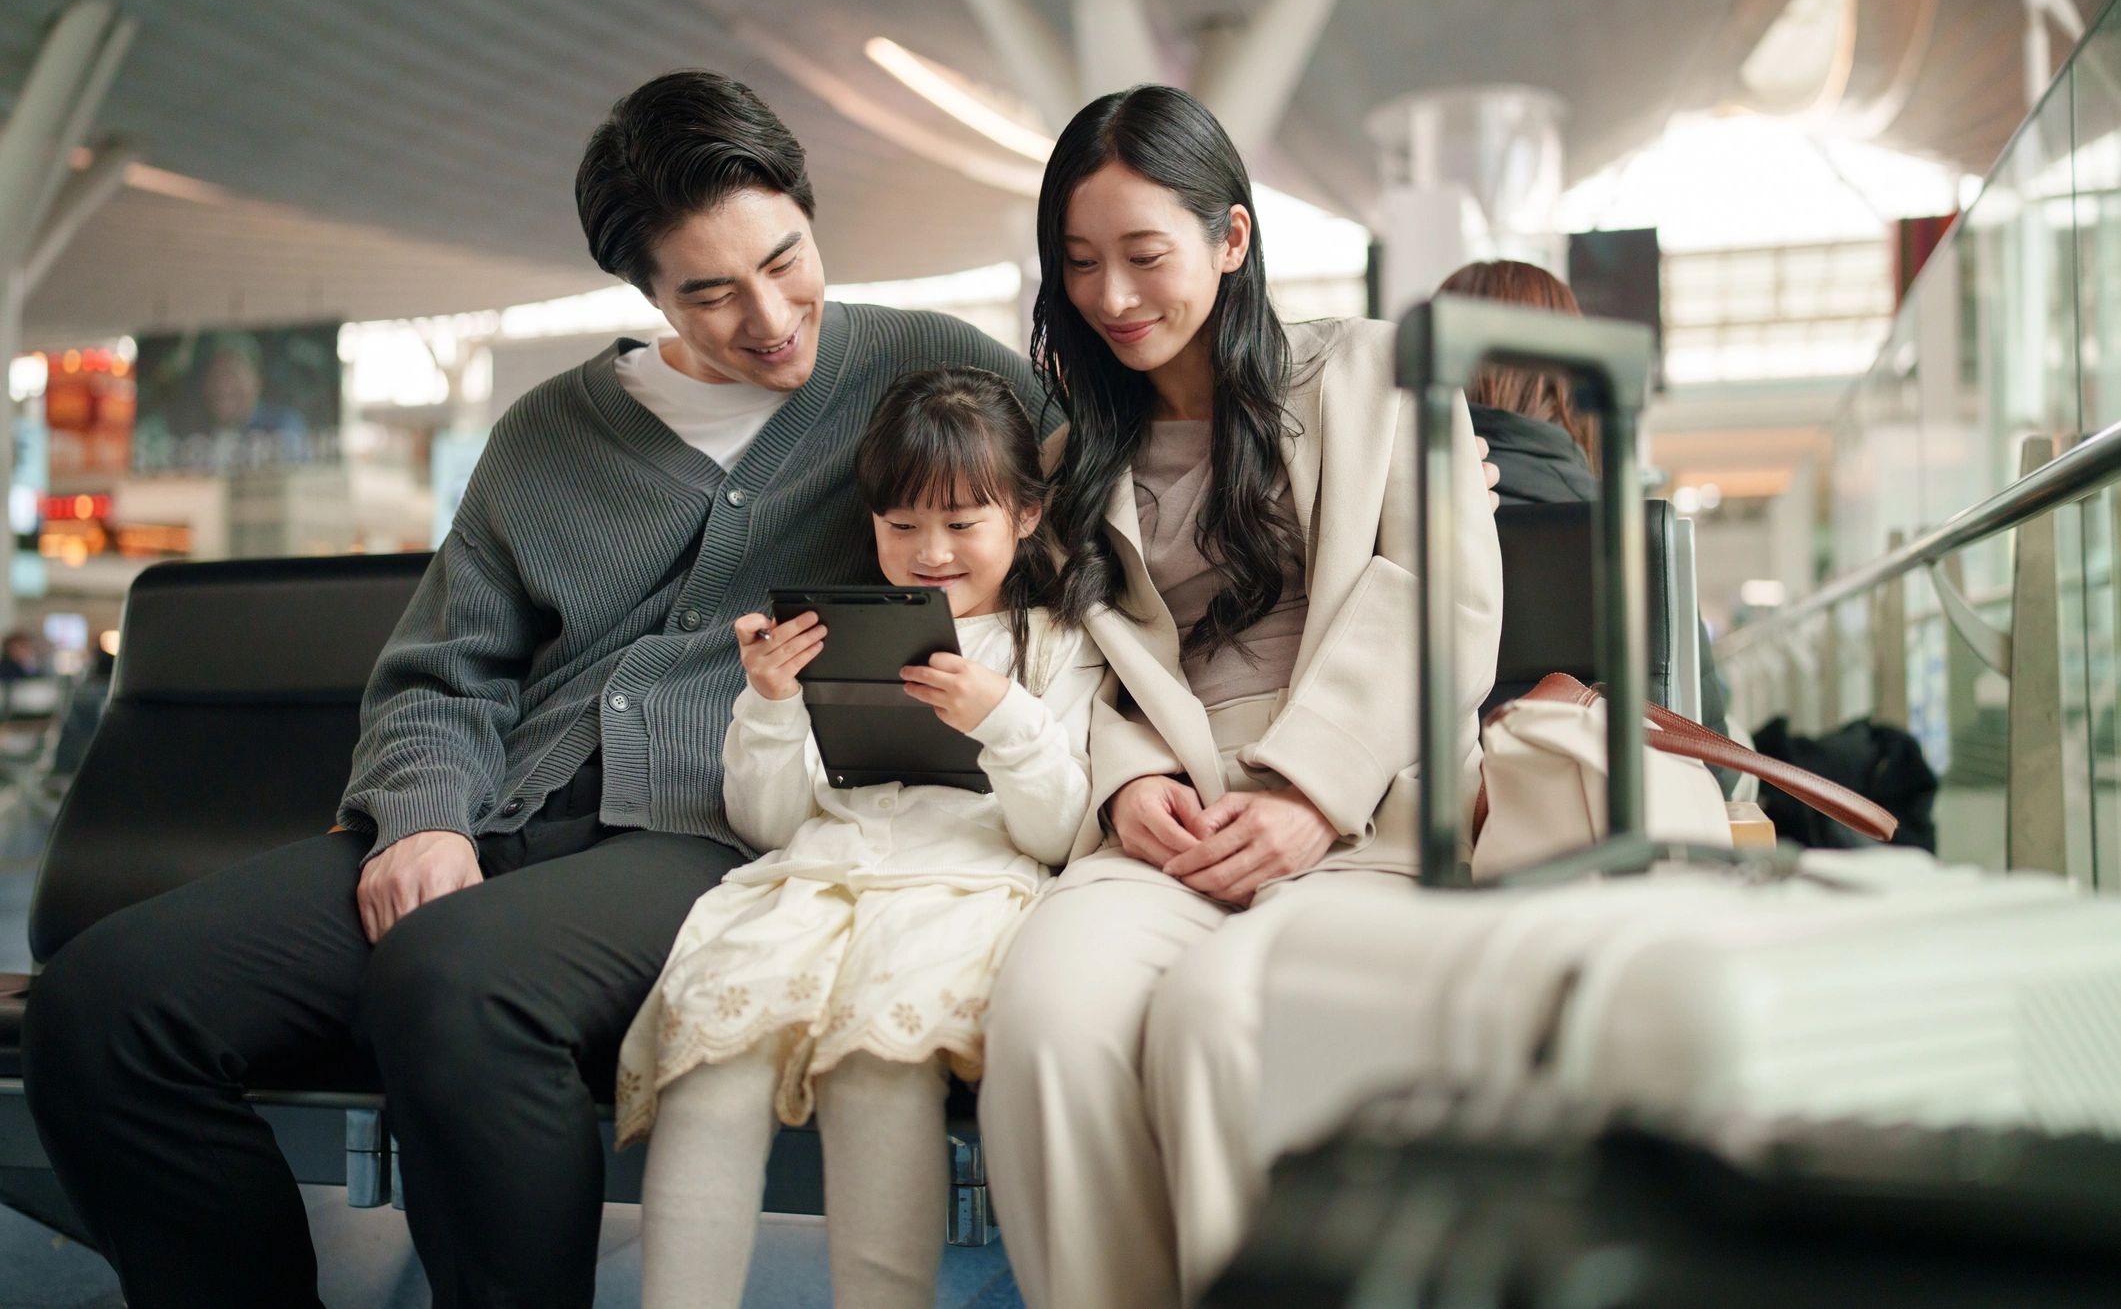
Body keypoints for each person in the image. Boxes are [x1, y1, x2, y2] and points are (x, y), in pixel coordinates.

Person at [22, 70, 1049, 1309]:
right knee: (105, 1010)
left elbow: (1118, 503)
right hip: (493, 819)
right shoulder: (546, 435)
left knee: (455, 985)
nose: (772, 317)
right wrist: (424, 818)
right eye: (711, 293)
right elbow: (441, 667)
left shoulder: (928, 366)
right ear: (645, 292)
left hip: (712, 833)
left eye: (787, 259)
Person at [977, 85, 1504, 1308]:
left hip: (1363, 805)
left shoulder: (1380, 373)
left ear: (1232, 239)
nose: (1112, 297)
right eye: (1081, 264)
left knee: (1225, 1020)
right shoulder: (1067, 463)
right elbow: (1070, 662)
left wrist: (1311, 791)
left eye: (1145, 255)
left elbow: (1442, 595)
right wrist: (1127, 786)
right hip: (1165, 818)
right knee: (1049, 1023)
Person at [618, 366, 1101, 1309]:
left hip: (960, 897)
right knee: (710, 1061)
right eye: (903, 526)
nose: (931, 553)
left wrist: (1002, 717)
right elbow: (767, 823)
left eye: (963, 525)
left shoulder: (1054, 644)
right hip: (810, 888)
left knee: (879, 1071)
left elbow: (1057, 831)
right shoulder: (829, 635)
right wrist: (769, 705)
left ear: (1027, 517)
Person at [1437, 258, 1731, 750]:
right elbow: (1710, 753)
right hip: (1604, 814)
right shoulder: (1635, 532)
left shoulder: (1395, 522)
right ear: (1567, 379)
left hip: (1432, 814)